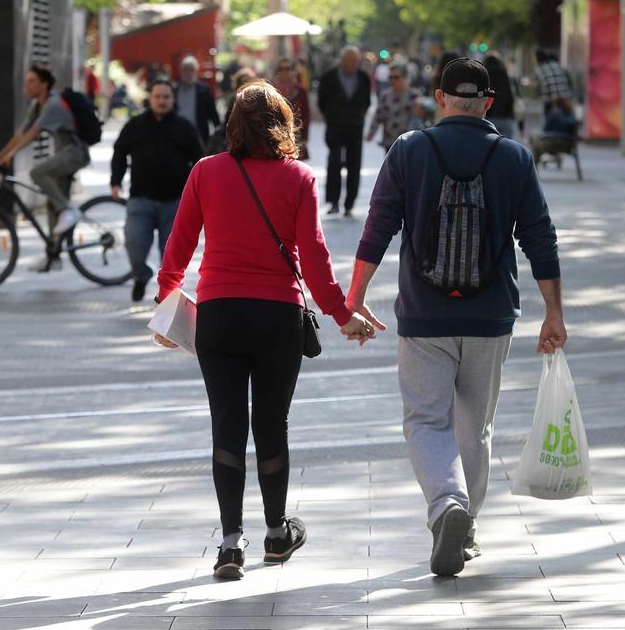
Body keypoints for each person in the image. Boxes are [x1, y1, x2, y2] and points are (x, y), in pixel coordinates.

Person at [345, 57, 565, 577]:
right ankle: (466, 530)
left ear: (439, 98)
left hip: (425, 317)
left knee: (426, 419)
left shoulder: (410, 150)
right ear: (488, 103)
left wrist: (354, 296)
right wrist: (553, 312)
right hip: (491, 318)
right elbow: (540, 237)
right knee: (476, 427)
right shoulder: (514, 157)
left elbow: (378, 227)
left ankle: (448, 506)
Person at [153, 81, 379, 581]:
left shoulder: (205, 172)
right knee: (271, 425)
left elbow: (180, 243)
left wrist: (166, 303)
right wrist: (344, 315)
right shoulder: (298, 177)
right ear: (284, 123)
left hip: (219, 316)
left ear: (233, 124)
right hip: (278, 317)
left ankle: (230, 546)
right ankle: (277, 535)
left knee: (226, 426)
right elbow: (315, 258)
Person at [0, 65, 89, 272]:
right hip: (63, 154)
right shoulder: (37, 105)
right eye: (26, 81)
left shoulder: (53, 104)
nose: (27, 86)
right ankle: (54, 257)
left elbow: (33, 134)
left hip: (74, 153)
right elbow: (20, 134)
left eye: (32, 81)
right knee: (52, 206)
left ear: (44, 84)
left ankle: (68, 211)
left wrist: (12, 155)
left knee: (37, 173)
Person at [111, 79, 205, 303]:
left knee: (170, 255)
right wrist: (116, 181)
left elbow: (200, 161)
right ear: (150, 98)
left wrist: (199, 194)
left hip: (174, 203)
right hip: (140, 199)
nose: (161, 101)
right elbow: (119, 151)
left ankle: (167, 299)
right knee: (134, 243)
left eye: (166, 97)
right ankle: (141, 275)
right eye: (157, 97)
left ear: (172, 99)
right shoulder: (135, 125)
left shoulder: (184, 127)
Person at [317, 45, 372, 217]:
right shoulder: (329, 76)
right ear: (341, 60)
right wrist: (332, 115)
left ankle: (349, 202)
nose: (350, 63)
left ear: (358, 62)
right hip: (335, 126)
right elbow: (321, 101)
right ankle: (333, 202)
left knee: (354, 164)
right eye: (347, 60)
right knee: (334, 162)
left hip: (355, 127)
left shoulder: (363, 78)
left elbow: (367, 100)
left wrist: (358, 115)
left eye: (354, 60)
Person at [367, 64, 421, 151]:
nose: (392, 80)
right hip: (390, 142)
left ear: (405, 77)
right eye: (390, 77)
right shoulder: (385, 96)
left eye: (396, 77)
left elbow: (420, 118)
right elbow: (378, 116)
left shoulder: (414, 96)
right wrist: (371, 134)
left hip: (409, 142)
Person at [174, 55, 221, 147]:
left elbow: (213, 113)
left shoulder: (203, 90)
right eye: (185, 70)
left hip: (199, 136)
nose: (188, 73)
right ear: (181, 71)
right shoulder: (174, 90)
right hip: (178, 136)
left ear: (196, 71)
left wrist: (219, 133)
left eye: (191, 70)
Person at [273, 58, 310, 160]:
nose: (284, 71)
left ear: (293, 71)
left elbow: (306, 115)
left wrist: (305, 137)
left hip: (295, 136)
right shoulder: (270, 89)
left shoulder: (300, 91)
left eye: (287, 68)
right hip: (274, 137)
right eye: (281, 68)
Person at [482, 53, 520, 140]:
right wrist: (521, 127)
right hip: (507, 119)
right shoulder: (510, 79)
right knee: (506, 150)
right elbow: (516, 99)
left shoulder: (483, 79)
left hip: (488, 120)